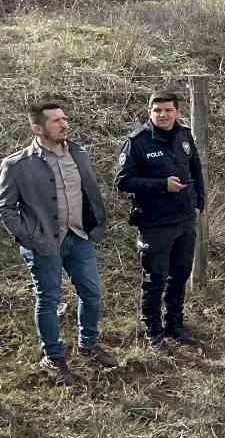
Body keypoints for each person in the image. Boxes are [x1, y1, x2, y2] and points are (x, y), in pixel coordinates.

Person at [0, 101, 116, 383]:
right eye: (56, 121)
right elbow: (5, 207)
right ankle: (53, 356)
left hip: (79, 238)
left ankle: (88, 343)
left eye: (64, 118)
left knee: (92, 294)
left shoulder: (79, 153)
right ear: (37, 128)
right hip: (43, 245)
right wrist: (30, 237)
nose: (64, 124)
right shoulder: (16, 165)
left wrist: (95, 224)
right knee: (48, 300)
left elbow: (90, 192)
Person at [116, 90, 206, 350]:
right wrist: (161, 185)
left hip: (185, 219)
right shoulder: (138, 142)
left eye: (168, 110)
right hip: (155, 223)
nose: (163, 115)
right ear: (149, 112)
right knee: (155, 279)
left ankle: (175, 325)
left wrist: (199, 202)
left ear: (176, 111)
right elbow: (123, 181)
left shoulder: (184, 135)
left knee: (180, 275)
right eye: (157, 110)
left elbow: (196, 169)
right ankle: (153, 331)